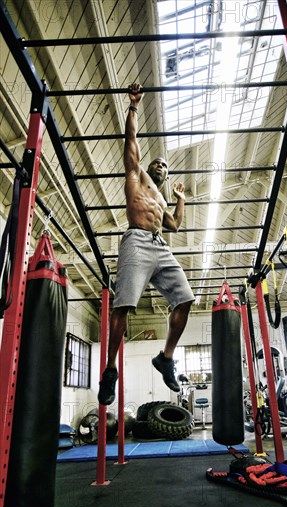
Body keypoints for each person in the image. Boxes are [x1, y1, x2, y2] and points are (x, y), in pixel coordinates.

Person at [98, 83, 195, 406]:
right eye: (157, 162)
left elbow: (175, 226)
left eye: (165, 165)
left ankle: (165, 357)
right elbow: (131, 143)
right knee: (123, 303)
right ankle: (110, 368)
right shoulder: (137, 175)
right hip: (136, 241)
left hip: (160, 245)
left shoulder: (162, 199)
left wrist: (181, 200)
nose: (160, 166)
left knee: (185, 300)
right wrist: (134, 107)